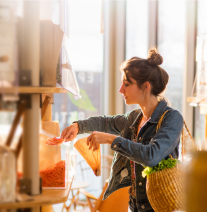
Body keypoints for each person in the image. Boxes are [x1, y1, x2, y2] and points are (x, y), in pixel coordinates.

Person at [60, 48, 183, 212]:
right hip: (135, 206)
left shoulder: (172, 118)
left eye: (126, 84)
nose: (120, 90)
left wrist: (111, 139)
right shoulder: (135, 118)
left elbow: (151, 156)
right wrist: (78, 126)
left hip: (160, 208)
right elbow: (105, 122)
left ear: (145, 86)